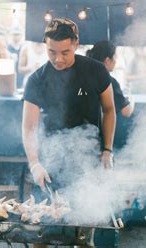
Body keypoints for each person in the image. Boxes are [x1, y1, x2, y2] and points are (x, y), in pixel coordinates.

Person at [22, 18, 116, 194]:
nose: (58, 59)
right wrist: (34, 164)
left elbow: (109, 109)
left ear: (76, 44)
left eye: (65, 52)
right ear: (45, 45)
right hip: (53, 160)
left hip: (92, 157)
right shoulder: (36, 80)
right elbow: (29, 127)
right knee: (56, 213)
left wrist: (107, 150)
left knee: (92, 212)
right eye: (52, 52)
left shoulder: (97, 71)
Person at [86, 40, 134, 117]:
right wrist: (131, 101)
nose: (116, 61)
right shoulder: (109, 82)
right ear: (107, 60)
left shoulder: (83, 76)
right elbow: (126, 112)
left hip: (79, 127)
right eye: (115, 57)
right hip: (100, 127)